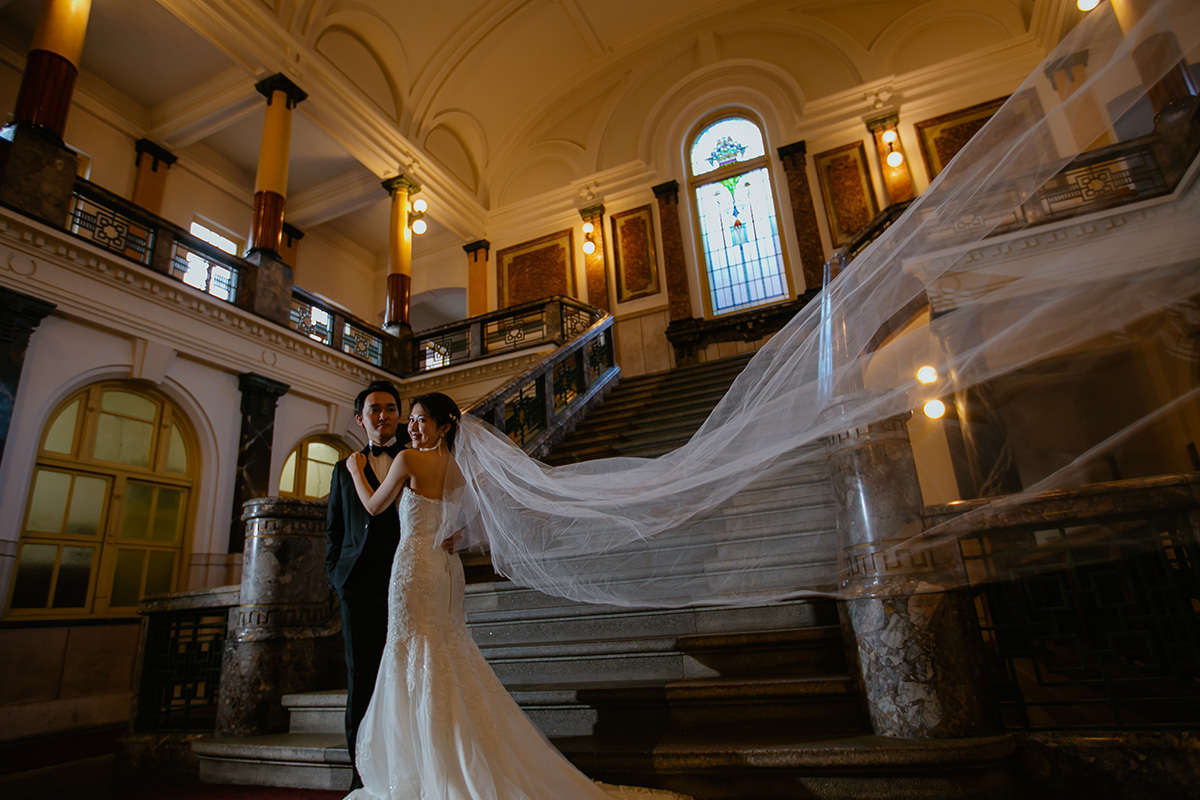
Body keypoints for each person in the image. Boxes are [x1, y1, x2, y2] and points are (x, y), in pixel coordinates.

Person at [343, 392, 688, 800]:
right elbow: (477, 513)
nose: (413, 427)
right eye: (413, 421)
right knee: (443, 648)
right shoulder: (457, 467)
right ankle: (447, 753)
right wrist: (456, 533)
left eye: (421, 421)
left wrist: (355, 469)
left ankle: (429, 762)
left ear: (445, 426)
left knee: (415, 648)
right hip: (445, 570)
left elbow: (373, 506)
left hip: (415, 568)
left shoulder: (406, 460)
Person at [325, 380, 410, 792]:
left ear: (400, 414)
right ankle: (360, 775)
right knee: (362, 675)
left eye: (391, 408)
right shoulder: (343, 469)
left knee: (405, 673)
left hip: (405, 579)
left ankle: (405, 764)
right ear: (360, 419)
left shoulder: (415, 458)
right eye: (374, 409)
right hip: (356, 583)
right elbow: (335, 529)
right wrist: (336, 575)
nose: (383, 415)